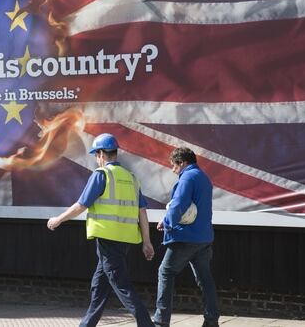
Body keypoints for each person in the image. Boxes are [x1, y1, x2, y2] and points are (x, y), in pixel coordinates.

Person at [47, 133, 155, 327]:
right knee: (100, 285)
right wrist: (146, 241)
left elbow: (81, 205)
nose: (96, 159)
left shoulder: (101, 175)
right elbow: (142, 212)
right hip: (126, 240)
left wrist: (58, 220)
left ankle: (146, 324)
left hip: (107, 237)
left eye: (96, 155)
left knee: (121, 285)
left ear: (101, 154)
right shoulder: (131, 178)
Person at [153, 147, 220, 327]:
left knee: (165, 272)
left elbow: (179, 203)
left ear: (182, 163)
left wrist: (166, 223)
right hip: (204, 238)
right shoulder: (204, 178)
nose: (174, 170)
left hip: (186, 237)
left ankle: (161, 321)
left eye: (174, 166)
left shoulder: (187, 177)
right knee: (205, 279)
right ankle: (211, 320)